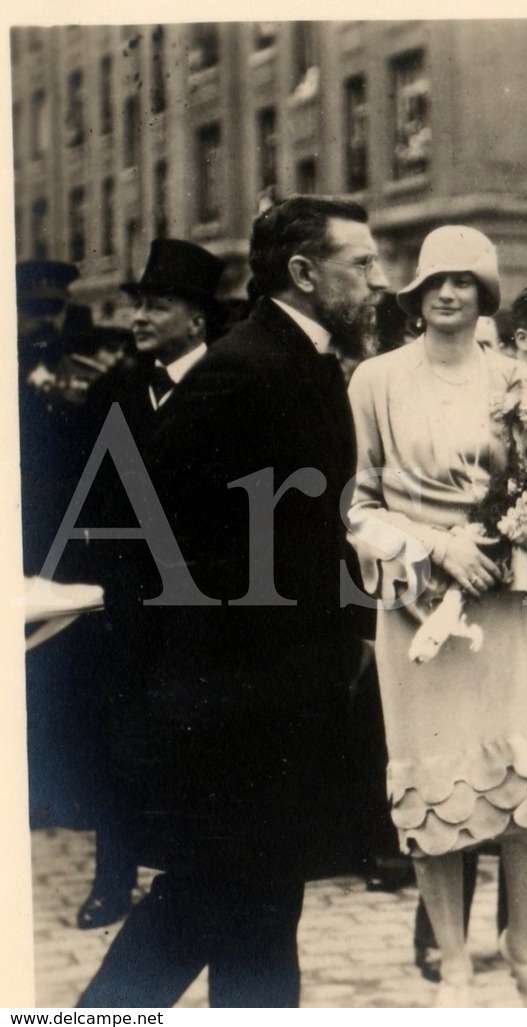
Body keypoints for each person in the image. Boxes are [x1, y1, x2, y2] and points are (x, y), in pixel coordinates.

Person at [77, 196, 385, 1007]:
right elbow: (150, 531)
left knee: (257, 908)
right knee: (209, 900)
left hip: (280, 701)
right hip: (231, 710)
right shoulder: (243, 370)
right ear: (305, 273)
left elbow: (320, 521)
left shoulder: (307, 362)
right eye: (362, 264)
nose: (378, 282)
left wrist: (348, 628)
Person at [346, 227, 527, 1007]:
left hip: (505, 603)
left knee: (523, 784)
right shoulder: (375, 381)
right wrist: (434, 548)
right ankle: (453, 961)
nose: (448, 294)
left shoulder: (517, 381)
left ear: (486, 294)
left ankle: (521, 949)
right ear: (415, 296)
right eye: (433, 282)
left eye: (463, 281)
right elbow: (357, 505)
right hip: (422, 610)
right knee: (433, 789)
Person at [71, 239, 228, 932]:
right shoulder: (115, 392)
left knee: (201, 738)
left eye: (156, 306)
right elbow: (87, 497)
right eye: (138, 303)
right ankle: (112, 879)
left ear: (196, 320)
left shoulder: (230, 385)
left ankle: (194, 869)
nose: (139, 317)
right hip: (129, 600)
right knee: (119, 737)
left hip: (212, 600)